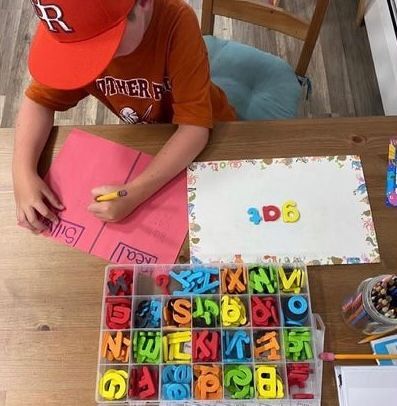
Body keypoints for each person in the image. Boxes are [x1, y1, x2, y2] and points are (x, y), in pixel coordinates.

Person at [13, 0, 236, 233]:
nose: (92, 62)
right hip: (146, 141)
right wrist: (22, 172)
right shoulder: (70, 28)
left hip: (214, 138)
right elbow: (37, 101)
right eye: (78, 52)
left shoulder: (177, 20)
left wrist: (135, 193)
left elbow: (194, 130)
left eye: (104, 45)